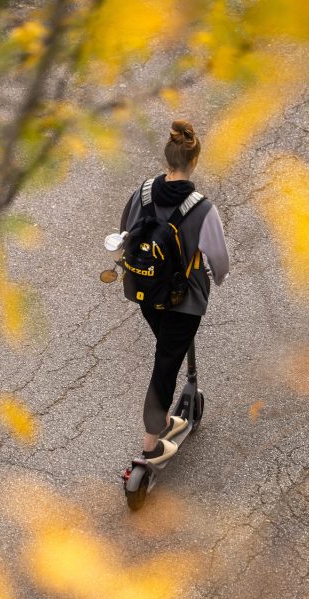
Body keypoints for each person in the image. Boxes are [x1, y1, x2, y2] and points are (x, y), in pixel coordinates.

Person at [119, 120, 230, 464]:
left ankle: (165, 419)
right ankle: (151, 443)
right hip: (184, 300)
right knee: (165, 365)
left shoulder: (143, 192)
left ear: (167, 160)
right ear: (193, 162)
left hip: (146, 290)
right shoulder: (202, 208)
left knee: (167, 350)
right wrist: (207, 271)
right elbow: (220, 263)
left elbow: (125, 230)